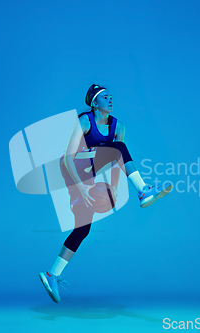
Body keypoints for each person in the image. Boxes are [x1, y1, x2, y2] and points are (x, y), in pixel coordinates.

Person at [39, 84, 172, 303]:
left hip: (91, 169)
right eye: (104, 97)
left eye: (111, 96)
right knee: (118, 148)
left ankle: (52, 274)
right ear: (94, 103)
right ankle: (144, 190)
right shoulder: (84, 121)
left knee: (83, 229)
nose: (110, 100)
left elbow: (117, 162)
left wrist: (112, 190)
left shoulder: (118, 126)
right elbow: (67, 158)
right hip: (73, 169)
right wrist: (81, 188)